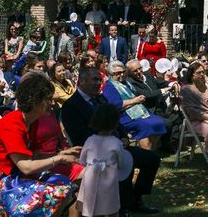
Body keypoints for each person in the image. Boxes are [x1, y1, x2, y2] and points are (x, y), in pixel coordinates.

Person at [61, 67, 161, 215]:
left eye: (100, 80)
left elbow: (117, 121)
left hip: (118, 146)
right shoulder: (71, 106)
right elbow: (79, 136)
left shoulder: (100, 99)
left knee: (152, 158)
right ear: (81, 81)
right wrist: (108, 140)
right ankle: (122, 208)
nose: (98, 83)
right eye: (94, 80)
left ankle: (136, 198)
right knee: (122, 166)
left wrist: (123, 137)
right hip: (96, 154)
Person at [0, 72, 81, 216]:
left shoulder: (31, 121)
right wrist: (60, 158)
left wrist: (61, 153)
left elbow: (33, 155)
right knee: (58, 190)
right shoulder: (12, 124)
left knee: (67, 187)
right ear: (34, 100)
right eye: (48, 99)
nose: (52, 103)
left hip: (14, 174)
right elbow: (26, 167)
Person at [77, 103, 133, 217]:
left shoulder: (90, 140)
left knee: (92, 208)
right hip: (109, 182)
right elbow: (122, 163)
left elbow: (82, 161)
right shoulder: (116, 143)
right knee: (111, 209)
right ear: (115, 122)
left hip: (90, 181)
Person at [102, 61, 166, 151]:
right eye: (118, 73)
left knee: (159, 122)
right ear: (111, 74)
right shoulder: (110, 87)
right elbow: (115, 105)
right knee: (145, 125)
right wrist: (135, 100)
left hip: (140, 112)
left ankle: (151, 150)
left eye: (123, 72)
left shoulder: (127, 83)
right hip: (125, 117)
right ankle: (146, 153)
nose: (122, 75)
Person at [126, 59, 181, 153]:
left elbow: (159, 82)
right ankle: (163, 146)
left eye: (140, 68)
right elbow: (146, 94)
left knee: (178, 117)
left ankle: (172, 142)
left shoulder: (147, 75)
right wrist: (164, 90)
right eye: (135, 71)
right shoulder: (130, 82)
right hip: (150, 110)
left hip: (161, 107)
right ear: (129, 72)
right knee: (167, 123)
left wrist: (172, 83)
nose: (139, 72)